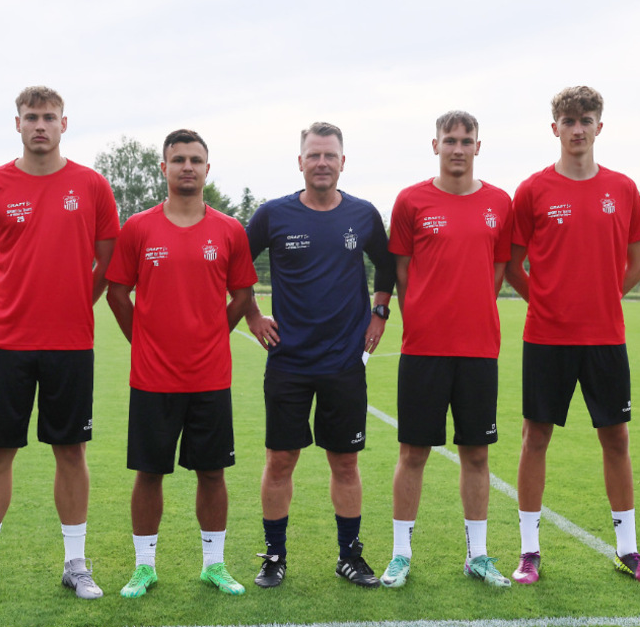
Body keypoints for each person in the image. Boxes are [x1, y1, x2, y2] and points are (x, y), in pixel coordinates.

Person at [0, 86, 119, 600]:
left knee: (71, 450)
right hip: (6, 341)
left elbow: (106, 261)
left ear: (65, 124)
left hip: (69, 342)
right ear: (16, 124)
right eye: (31, 117)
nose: (41, 125)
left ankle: (76, 564)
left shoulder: (91, 185)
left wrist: (72, 304)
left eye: (50, 117)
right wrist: (9, 303)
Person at [504, 86, 640, 585]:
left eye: (586, 119)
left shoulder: (624, 188)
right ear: (555, 128)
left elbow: (636, 264)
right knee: (535, 437)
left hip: (605, 338)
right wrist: (547, 301)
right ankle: (529, 551)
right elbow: (511, 265)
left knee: (615, 437)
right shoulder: (532, 190)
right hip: (546, 338)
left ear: (600, 126)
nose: (577, 129)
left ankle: (628, 550)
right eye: (568, 120)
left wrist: (599, 300)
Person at [105, 129, 257, 598]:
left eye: (195, 159)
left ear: (207, 169)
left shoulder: (230, 230)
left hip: (210, 377)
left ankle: (214, 564)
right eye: (178, 160)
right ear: (164, 168)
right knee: (149, 473)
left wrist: (214, 334)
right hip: (152, 379)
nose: (187, 167)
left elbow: (243, 294)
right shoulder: (139, 228)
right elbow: (116, 293)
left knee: (212, 472)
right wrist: (143, 340)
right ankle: (144, 568)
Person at [245, 122, 395, 589]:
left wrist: (380, 311)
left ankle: (349, 555)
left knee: (345, 463)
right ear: (301, 161)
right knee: (281, 460)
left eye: (330, 155)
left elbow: (387, 264)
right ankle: (274, 556)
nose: (322, 162)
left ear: (342, 162)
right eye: (314, 155)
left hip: (344, 363)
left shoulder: (364, 215)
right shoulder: (273, 215)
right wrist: (252, 315)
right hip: (288, 362)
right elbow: (235, 264)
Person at [381, 111, 513, 589]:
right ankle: (400, 555)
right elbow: (401, 271)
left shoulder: (500, 202)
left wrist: (471, 310)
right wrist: (424, 315)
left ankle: (478, 555)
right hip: (424, 348)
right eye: (449, 140)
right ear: (434, 145)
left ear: (479, 146)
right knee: (412, 451)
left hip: (479, 348)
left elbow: (498, 270)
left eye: (466, 140)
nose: (457, 148)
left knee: (476, 453)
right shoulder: (411, 201)